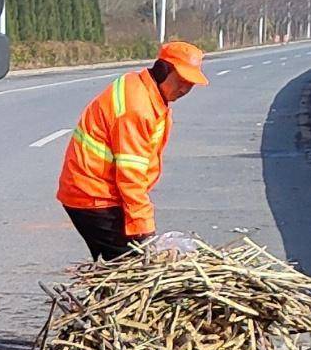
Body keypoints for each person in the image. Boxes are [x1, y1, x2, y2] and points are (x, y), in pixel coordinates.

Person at [54, 40, 207, 260]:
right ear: (164, 71)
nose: (185, 89)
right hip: (94, 196)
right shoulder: (138, 108)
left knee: (119, 266)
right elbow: (130, 176)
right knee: (129, 264)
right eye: (182, 80)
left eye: (191, 84)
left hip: (94, 192)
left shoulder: (142, 88)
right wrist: (145, 230)